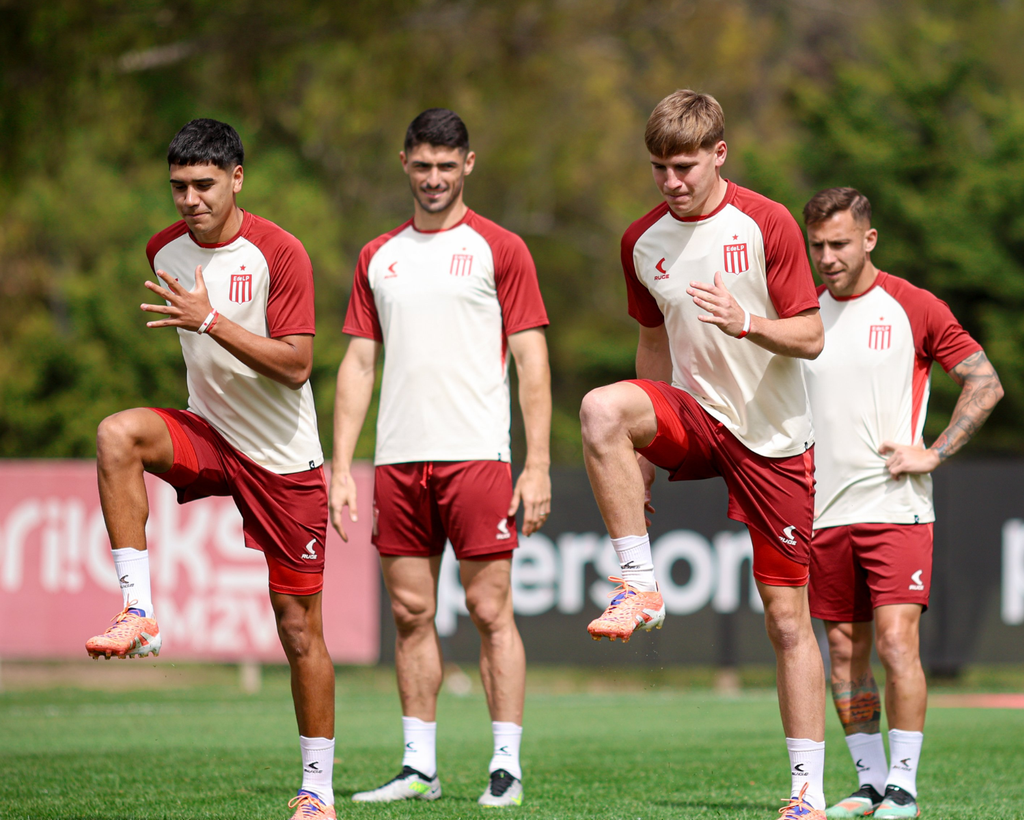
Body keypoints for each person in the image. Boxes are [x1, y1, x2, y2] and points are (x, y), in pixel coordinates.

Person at [577, 90, 828, 819]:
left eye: (684, 165)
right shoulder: (641, 242)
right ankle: (640, 586)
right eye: (659, 167)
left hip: (774, 437)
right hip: (694, 414)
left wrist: (747, 322)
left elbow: (811, 336)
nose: (671, 181)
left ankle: (807, 793)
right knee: (600, 408)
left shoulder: (767, 222)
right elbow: (653, 341)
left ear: (719, 152)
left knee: (786, 620)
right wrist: (643, 447)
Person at [85, 119, 338, 820]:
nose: (190, 199)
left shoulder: (280, 252)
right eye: (178, 187)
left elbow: (296, 366)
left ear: (237, 179)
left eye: (203, 184)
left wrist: (210, 321)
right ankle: (139, 611)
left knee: (297, 629)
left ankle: (317, 790)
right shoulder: (162, 249)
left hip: (285, 461)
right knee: (117, 435)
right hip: (211, 433)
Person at [332, 108, 551, 808]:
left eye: (445, 166)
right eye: (422, 165)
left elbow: (532, 360)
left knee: (490, 610)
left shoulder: (500, 248)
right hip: (398, 460)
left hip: (477, 457)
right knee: (409, 613)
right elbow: (359, 363)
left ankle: (507, 765)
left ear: (468, 165)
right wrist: (342, 464)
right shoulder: (378, 256)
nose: (433, 178)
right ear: (405, 164)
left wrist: (537, 461)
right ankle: (418, 767)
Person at [800, 188, 1003, 820]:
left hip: (897, 508)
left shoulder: (912, 305)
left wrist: (935, 452)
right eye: (817, 246)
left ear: (869, 238)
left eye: (839, 243)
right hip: (823, 513)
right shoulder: (802, 317)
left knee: (895, 643)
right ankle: (870, 782)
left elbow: (985, 380)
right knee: (842, 652)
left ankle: (905, 788)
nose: (828, 257)